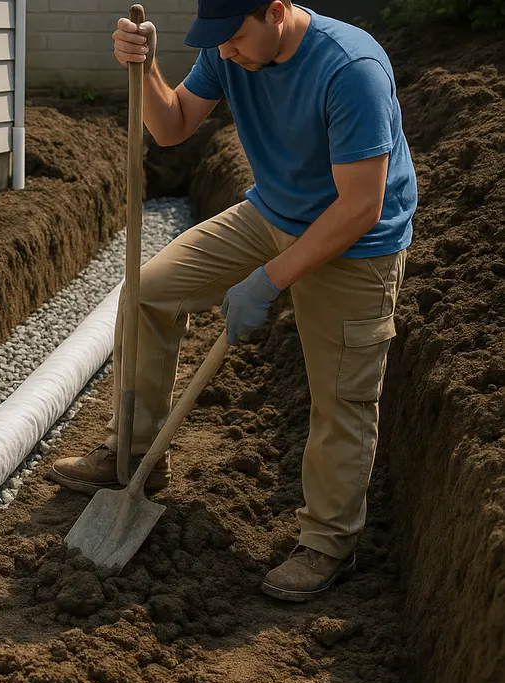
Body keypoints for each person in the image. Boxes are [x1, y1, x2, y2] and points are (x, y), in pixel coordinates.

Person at [49, 0, 416, 601]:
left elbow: (360, 207)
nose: (225, 51)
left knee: (341, 395)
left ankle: (329, 542)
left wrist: (269, 281)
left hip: (356, 245)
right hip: (271, 214)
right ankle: (134, 454)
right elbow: (171, 126)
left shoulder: (351, 68)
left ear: (276, 13)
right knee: (148, 292)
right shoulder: (230, 49)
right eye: (217, 40)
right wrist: (146, 67)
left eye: (235, 38)